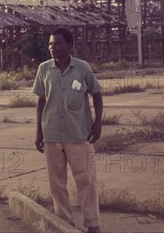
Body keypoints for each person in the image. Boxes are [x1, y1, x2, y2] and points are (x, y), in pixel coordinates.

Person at [32, 27, 103, 233]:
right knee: (57, 183)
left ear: (69, 46)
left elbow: (96, 94)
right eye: (50, 44)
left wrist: (98, 123)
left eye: (57, 43)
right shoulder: (44, 69)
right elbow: (41, 101)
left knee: (87, 181)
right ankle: (64, 222)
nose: (52, 47)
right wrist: (38, 132)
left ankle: (92, 224)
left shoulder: (82, 68)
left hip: (79, 134)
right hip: (52, 134)